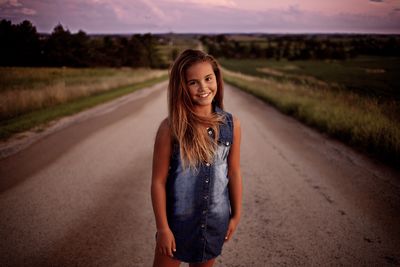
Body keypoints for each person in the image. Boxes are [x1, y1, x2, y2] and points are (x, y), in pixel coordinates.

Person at [151, 49, 243, 267]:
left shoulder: (232, 125)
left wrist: (236, 215)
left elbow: (234, 171)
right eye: (193, 82)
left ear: (217, 79)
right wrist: (163, 228)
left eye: (208, 79)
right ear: (181, 87)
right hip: (177, 222)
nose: (203, 88)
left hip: (215, 221)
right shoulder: (171, 128)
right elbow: (158, 181)